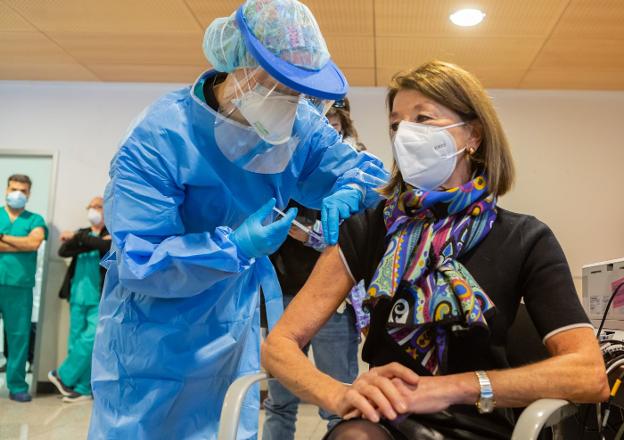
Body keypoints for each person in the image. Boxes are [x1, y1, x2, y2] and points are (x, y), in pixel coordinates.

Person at [262, 61, 609, 440]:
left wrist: (452, 387)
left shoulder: (525, 238)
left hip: (478, 419)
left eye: (423, 119)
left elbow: (587, 373)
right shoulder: (369, 228)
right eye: (396, 125)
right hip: (384, 418)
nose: (405, 135)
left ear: (473, 135)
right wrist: (338, 393)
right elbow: (279, 345)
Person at [88, 0, 388, 438]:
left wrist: (351, 188)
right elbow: (139, 261)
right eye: (281, 84)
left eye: (299, 89)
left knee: (228, 425)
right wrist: (234, 247)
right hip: (152, 341)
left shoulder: (299, 124)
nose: (292, 100)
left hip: (233, 326)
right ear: (240, 65)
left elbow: (361, 170)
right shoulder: (159, 137)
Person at [263, 99, 367, 440]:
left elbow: (359, 239)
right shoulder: (279, 160)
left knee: (340, 402)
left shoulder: (355, 172)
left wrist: (312, 234)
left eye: (331, 124)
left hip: (330, 299)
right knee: (279, 401)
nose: (323, 130)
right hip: (283, 291)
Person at [48, 196, 110, 403]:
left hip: (98, 296)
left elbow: (106, 248)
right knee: (75, 341)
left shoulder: (111, 233)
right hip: (77, 295)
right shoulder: (84, 233)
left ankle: (67, 377)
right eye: (90, 206)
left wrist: (77, 238)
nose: (93, 210)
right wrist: (88, 240)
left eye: (98, 206)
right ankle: (77, 389)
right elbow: (63, 250)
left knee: (91, 339)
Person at [0, 174, 47, 403]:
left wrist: (2, 238)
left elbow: (34, 243)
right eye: (14, 188)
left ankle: (17, 385)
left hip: (19, 286)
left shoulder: (35, 219)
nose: (17, 193)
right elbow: (26, 244)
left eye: (23, 190)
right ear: (6, 189)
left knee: (18, 337)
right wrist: (21, 244)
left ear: (29, 194)